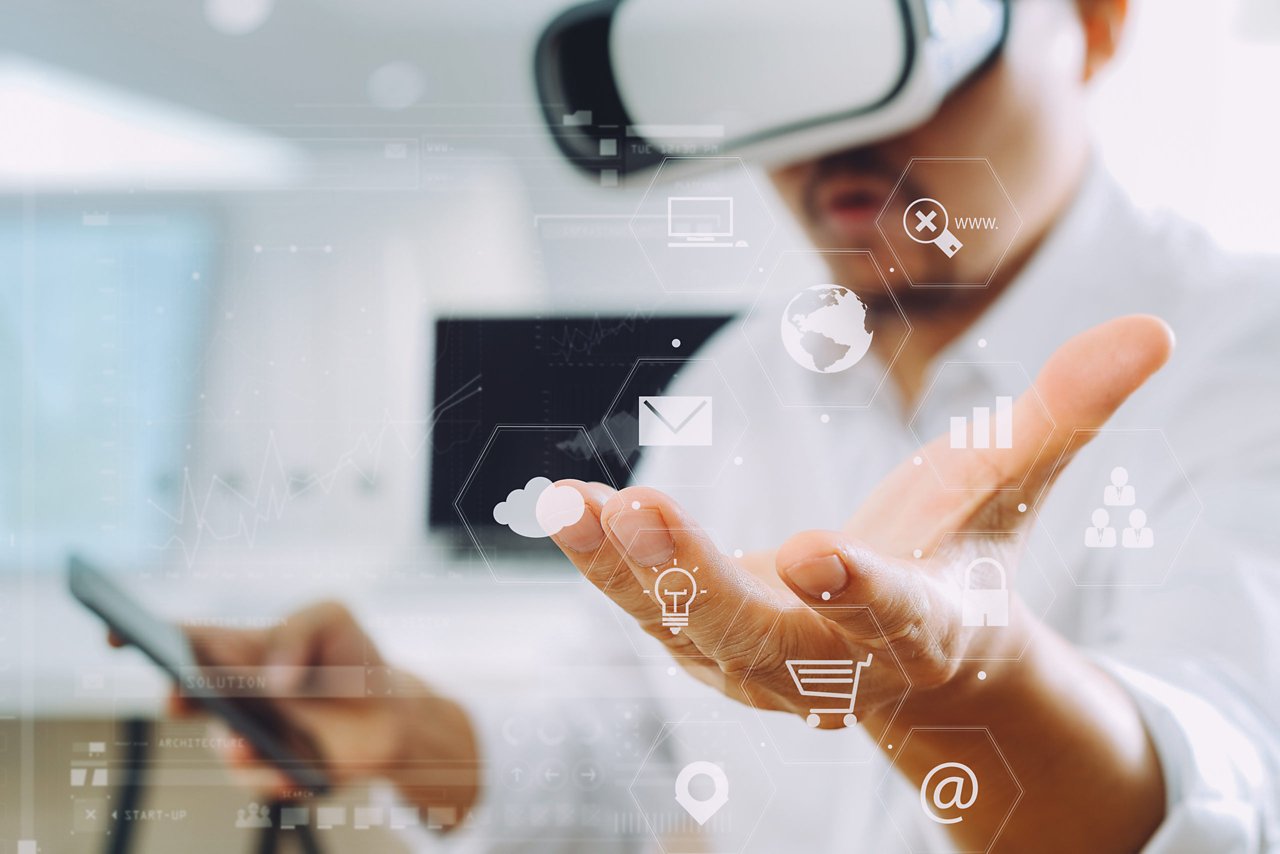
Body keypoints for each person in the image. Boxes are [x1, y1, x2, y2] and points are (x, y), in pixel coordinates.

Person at [124, 0, 1280, 851]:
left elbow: (1239, 779)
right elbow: (628, 749)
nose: (833, 132)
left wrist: (969, 697)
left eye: (883, 46)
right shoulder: (740, 385)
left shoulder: (1245, 351)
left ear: (1092, 23)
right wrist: (403, 724)